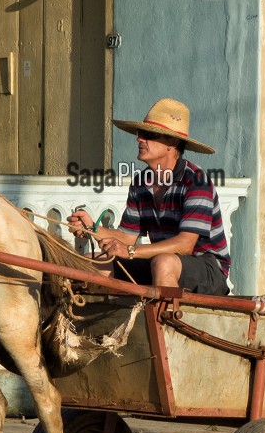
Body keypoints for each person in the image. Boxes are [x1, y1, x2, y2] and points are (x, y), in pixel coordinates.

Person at [67, 98, 230, 296]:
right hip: (159, 261)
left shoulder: (196, 181)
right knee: (89, 262)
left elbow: (185, 245)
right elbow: (126, 237)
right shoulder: (140, 183)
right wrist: (91, 228)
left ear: (172, 142)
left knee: (164, 262)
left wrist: (131, 252)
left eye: (148, 135)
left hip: (208, 268)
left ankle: (167, 325)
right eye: (139, 134)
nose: (139, 140)